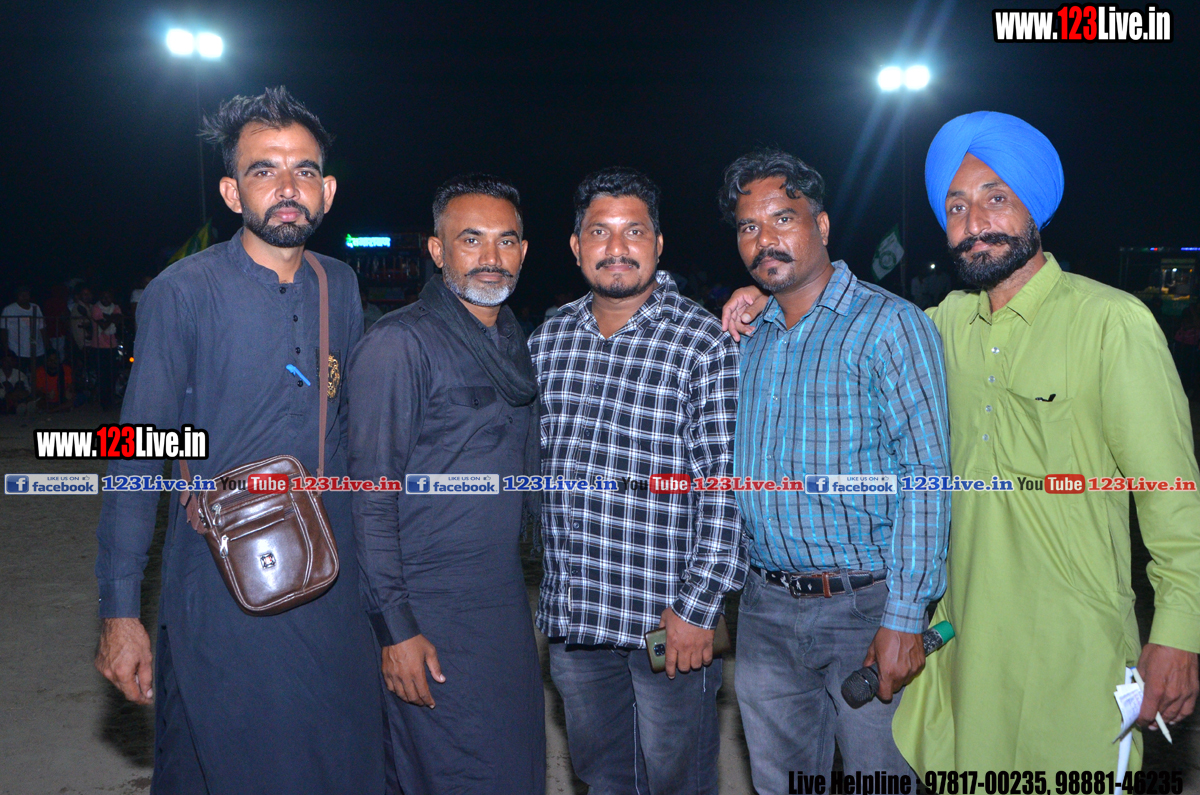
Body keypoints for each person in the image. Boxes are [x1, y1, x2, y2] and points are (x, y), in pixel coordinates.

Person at [726, 111, 1200, 774]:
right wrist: (763, 294)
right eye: (956, 207)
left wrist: (1179, 631)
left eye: (995, 199)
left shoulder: (1112, 322)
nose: (975, 223)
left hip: (1074, 639)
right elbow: (832, 319)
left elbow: (1172, 494)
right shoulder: (942, 326)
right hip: (964, 644)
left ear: (1034, 206)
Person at [92, 86, 384, 794]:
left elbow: (349, 427)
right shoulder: (182, 292)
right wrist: (120, 609)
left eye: (304, 170)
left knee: (343, 761)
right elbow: (137, 450)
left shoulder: (340, 285)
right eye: (263, 170)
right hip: (223, 578)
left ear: (327, 191)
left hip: (329, 576)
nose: (287, 188)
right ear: (232, 191)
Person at [716, 150, 950, 790]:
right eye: (748, 227)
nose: (764, 239)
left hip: (866, 608)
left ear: (820, 225)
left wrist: (905, 615)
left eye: (782, 219)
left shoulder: (890, 326)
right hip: (764, 608)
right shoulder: (748, 336)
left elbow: (926, 476)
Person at [530, 167, 744, 794]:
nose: (617, 247)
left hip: (667, 625)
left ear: (658, 243)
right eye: (600, 232)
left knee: (678, 782)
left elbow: (726, 488)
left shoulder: (702, 342)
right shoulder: (548, 342)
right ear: (576, 246)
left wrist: (698, 610)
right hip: (577, 622)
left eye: (634, 231)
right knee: (602, 779)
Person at [348, 174, 544, 794]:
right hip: (428, 608)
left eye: (506, 241)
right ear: (437, 250)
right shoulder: (399, 344)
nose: (491, 257)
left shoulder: (513, 341)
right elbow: (370, 500)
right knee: (448, 773)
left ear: (524, 252)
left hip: (501, 601)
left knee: (513, 768)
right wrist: (396, 629)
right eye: (471, 239)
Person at [88, 289, 122, 410]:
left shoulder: (115, 307)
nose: (106, 300)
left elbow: (118, 320)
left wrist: (108, 317)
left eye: (108, 297)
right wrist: (112, 317)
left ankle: (111, 400)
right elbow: (103, 325)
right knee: (102, 376)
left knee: (113, 374)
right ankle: (104, 402)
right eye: (103, 297)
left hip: (112, 346)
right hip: (98, 346)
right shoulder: (96, 308)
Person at [1, 286, 46, 371]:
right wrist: (6, 349)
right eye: (21, 295)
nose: (24, 297)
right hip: (17, 350)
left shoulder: (36, 307)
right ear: (17, 296)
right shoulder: (9, 309)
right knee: (21, 375)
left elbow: (42, 328)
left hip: (37, 349)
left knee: (37, 374)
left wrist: (46, 345)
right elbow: (3, 330)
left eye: (26, 294)